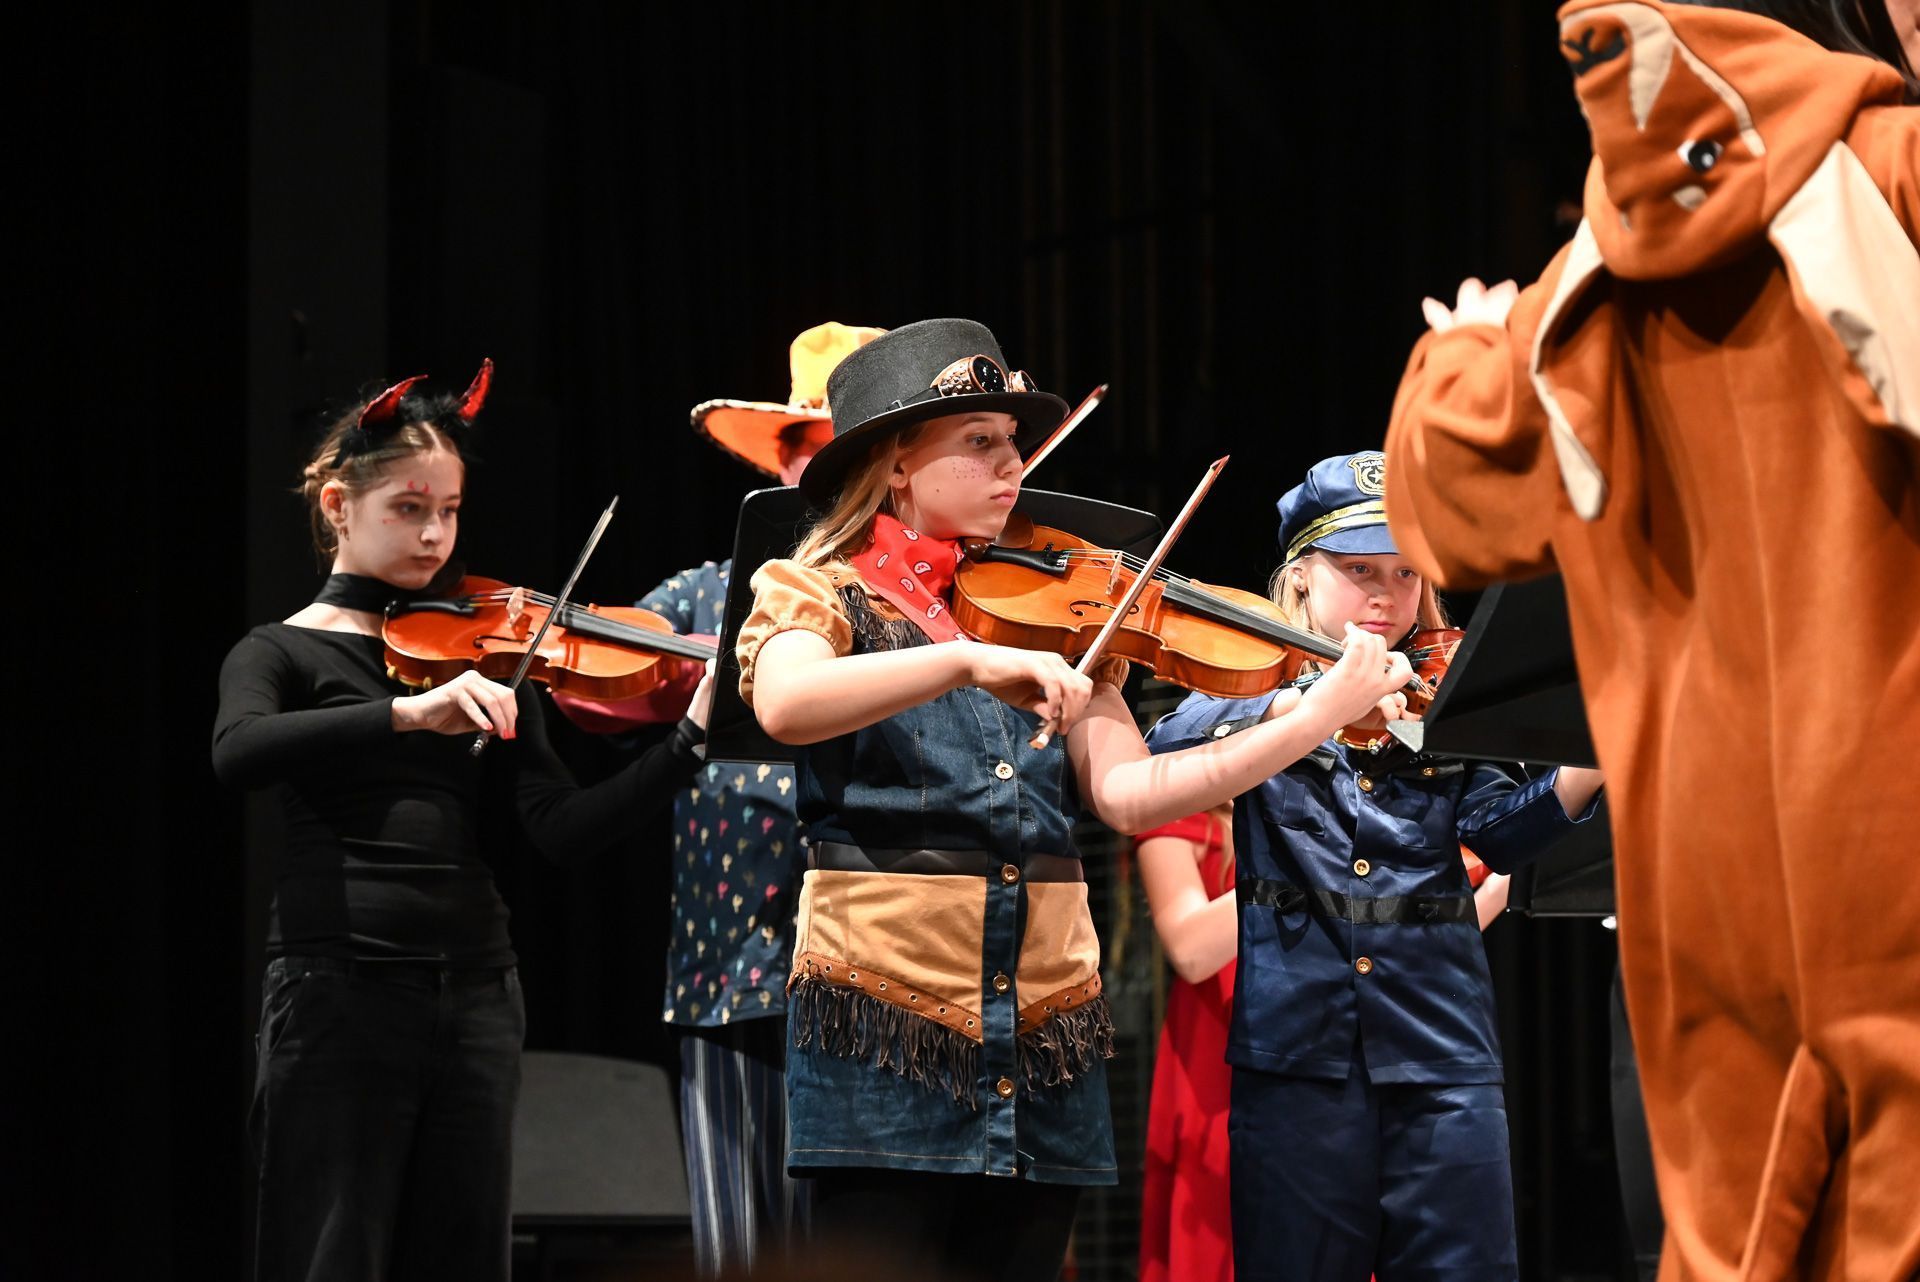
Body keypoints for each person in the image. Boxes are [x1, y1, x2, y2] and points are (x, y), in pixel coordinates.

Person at [1382, 2, 1918, 1275]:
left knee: (1732, 1227)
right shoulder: (1893, 173)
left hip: (1698, 871)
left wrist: (1458, 346)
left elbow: (1441, 508)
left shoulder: (1583, 287)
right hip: (1891, 815)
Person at [733, 320, 1430, 1281]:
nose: (1011, 462)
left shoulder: (1054, 604)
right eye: (980, 440)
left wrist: (1318, 715)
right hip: (886, 1016)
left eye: (1014, 443)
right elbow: (786, 701)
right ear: (895, 463)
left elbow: (1137, 797)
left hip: (1045, 1021)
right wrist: (968, 659)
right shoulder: (819, 588)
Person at [211, 363, 712, 1282]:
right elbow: (238, 751)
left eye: (449, 509)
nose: (437, 534)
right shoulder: (278, 650)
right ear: (338, 505)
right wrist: (411, 713)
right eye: (410, 508)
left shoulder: (484, 645)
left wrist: (685, 743)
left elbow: (561, 828)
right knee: (329, 1255)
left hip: (481, 994)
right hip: (339, 990)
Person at [1142, 451, 1605, 1280]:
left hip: (1442, 1051)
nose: (1386, 595)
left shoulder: (1451, 686)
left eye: (1405, 573)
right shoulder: (1254, 687)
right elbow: (1165, 746)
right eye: (1357, 570)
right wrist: (1310, 705)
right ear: (1302, 579)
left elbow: (1498, 835)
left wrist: (1590, 759)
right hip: (1295, 1057)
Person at [555, 322, 883, 1277]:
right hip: (737, 961)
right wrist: (565, 643)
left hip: (892, 968)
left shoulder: (927, 606)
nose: (820, 480)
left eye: (845, 456)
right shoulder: (712, 594)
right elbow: (596, 684)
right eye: (807, 456)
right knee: (747, 1243)